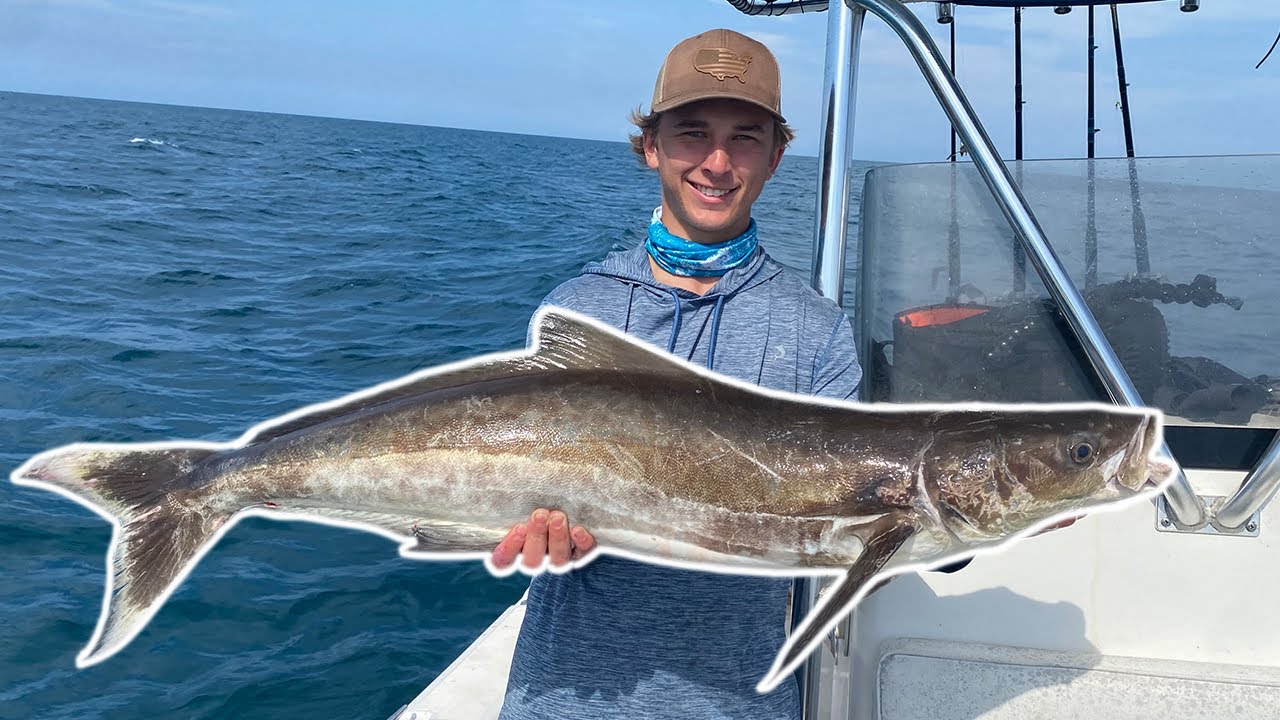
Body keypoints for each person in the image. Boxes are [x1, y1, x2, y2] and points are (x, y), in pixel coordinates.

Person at [492, 28, 863, 720]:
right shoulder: (580, 308)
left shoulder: (817, 333)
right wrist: (529, 531)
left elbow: (854, 521)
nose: (718, 163)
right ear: (652, 146)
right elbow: (523, 481)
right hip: (563, 698)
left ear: (777, 157)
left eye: (745, 138)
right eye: (693, 134)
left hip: (735, 704)